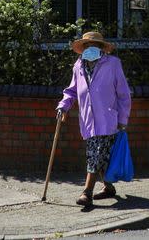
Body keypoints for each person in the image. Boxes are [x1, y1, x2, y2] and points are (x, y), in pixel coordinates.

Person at [56, 31, 131, 207]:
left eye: (94, 46)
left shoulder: (113, 64)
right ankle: (108, 188)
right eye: (87, 46)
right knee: (101, 155)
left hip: (108, 119)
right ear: (83, 48)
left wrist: (123, 118)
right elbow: (72, 90)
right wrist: (63, 106)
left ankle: (86, 192)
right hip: (88, 120)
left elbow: (124, 94)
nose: (91, 49)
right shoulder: (78, 66)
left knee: (95, 153)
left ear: (101, 48)